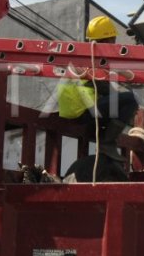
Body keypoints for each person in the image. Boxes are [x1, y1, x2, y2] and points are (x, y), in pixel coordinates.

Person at [57, 16, 139, 156]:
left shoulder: (83, 56)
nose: (114, 43)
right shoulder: (95, 60)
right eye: (113, 39)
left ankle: (105, 140)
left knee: (119, 103)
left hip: (73, 112)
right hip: (82, 112)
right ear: (106, 40)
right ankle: (107, 144)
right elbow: (108, 91)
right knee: (133, 98)